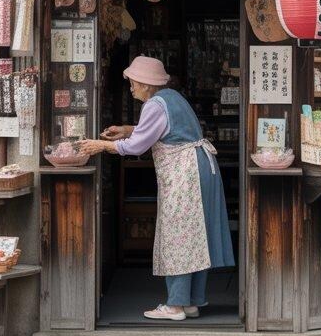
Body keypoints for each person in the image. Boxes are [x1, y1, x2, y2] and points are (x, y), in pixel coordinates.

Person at [79, 54, 234, 321]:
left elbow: (138, 146)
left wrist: (101, 145)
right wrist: (128, 129)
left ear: (147, 85)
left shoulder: (153, 106)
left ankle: (175, 305)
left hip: (185, 174)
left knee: (178, 236)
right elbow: (163, 130)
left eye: (134, 83)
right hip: (201, 169)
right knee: (195, 235)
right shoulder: (172, 97)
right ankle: (191, 302)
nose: (131, 88)